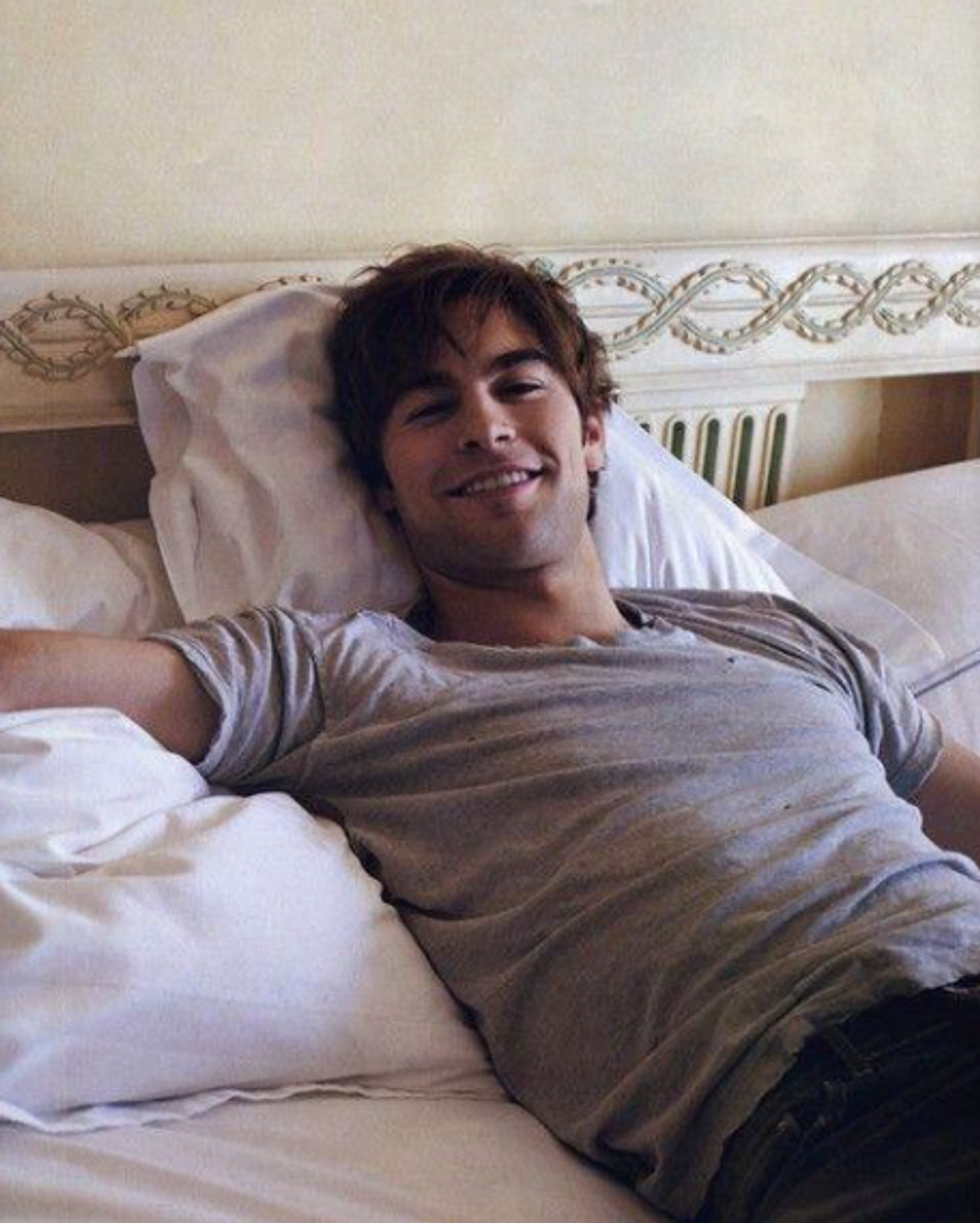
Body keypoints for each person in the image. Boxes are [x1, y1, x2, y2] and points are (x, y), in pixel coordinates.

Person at [1, 244, 979, 1222]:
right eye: (431, 409)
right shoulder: (353, 674)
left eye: (518, 384)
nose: (483, 425)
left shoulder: (773, 630)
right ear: (383, 488)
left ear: (591, 433)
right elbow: (33, 669)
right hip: (832, 1093)